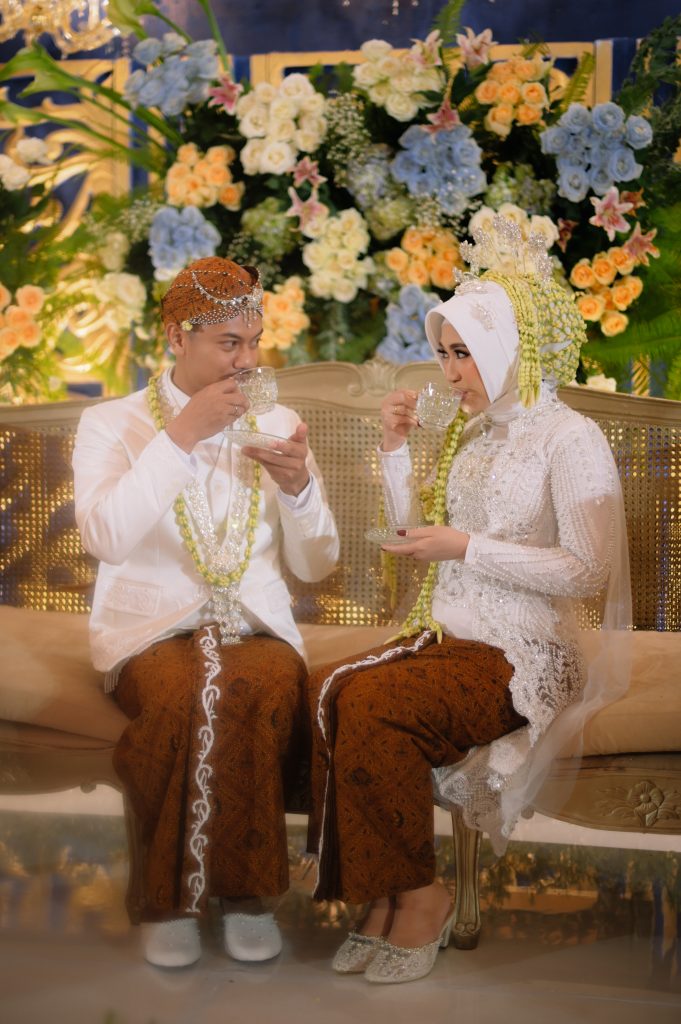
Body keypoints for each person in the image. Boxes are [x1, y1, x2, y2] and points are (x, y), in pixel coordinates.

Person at [306, 218, 631, 985]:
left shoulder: (570, 438)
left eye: (464, 353)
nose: (450, 373)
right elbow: (412, 534)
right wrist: (393, 451)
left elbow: (588, 570)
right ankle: (382, 894)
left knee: (375, 703)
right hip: (448, 639)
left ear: (513, 348)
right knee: (331, 689)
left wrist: (468, 548)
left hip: (522, 651)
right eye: (445, 353)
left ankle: (421, 897)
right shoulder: (475, 435)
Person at [72, 256, 339, 968]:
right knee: (177, 693)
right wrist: (181, 436)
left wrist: (299, 492)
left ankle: (246, 895)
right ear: (175, 337)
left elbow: (317, 563)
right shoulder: (109, 423)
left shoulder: (277, 421)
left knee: (254, 686)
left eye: (254, 343)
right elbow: (105, 538)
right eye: (228, 343)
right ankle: (170, 902)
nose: (246, 361)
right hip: (149, 631)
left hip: (257, 628)